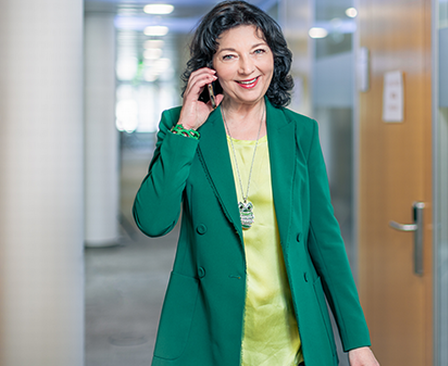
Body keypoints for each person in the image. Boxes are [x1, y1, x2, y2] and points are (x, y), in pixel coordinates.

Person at [132, 2, 380, 366]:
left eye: (258, 51)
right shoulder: (181, 126)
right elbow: (153, 221)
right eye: (230, 56)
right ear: (210, 67)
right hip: (211, 332)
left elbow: (325, 240)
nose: (248, 68)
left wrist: (356, 339)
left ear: (274, 58)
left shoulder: (300, 133)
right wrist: (186, 129)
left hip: (294, 339)